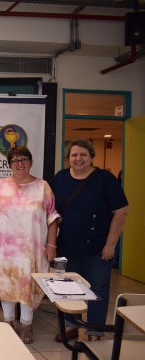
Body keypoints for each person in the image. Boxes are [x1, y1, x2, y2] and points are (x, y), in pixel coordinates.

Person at [50, 138, 129, 342]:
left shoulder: (105, 178)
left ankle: (94, 330)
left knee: (98, 288)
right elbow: (49, 211)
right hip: (68, 245)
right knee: (69, 287)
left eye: (83, 154)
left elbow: (121, 212)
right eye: (74, 155)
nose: (78, 158)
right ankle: (72, 326)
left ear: (91, 157)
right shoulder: (59, 178)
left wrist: (111, 245)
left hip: (99, 246)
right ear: (68, 158)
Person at [0, 145, 60, 344]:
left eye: (24, 159)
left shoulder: (43, 187)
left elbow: (52, 218)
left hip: (31, 250)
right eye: (15, 161)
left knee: (27, 284)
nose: (20, 164)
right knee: (6, 282)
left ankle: (26, 324)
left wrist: (52, 245)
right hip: (3, 248)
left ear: (31, 162)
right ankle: (7, 322)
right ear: (10, 164)